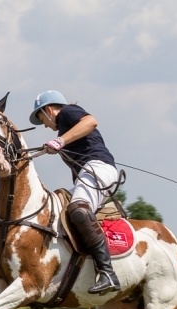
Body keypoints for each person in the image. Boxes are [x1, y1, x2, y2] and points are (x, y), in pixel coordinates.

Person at [29, 89, 121, 295]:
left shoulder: (67, 112)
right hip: (89, 174)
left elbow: (91, 122)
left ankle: (107, 272)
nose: (44, 124)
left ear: (49, 110)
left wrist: (61, 141)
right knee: (54, 209)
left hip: (98, 168)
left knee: (78, 209)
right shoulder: (63, 126)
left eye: (41, 118)